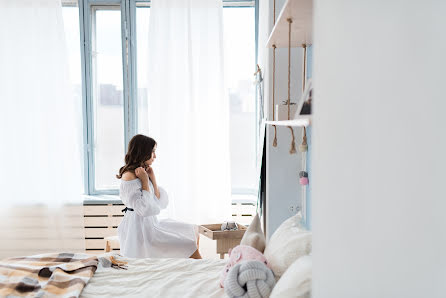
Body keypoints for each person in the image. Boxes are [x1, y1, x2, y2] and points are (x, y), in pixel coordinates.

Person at [116, 134, 202, 259]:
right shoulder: (129, 176)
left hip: (151, 223)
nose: (155, 156)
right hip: (139, 230)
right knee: (187, 243)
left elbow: (158, 203)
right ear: (143, 152)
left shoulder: (142, 172)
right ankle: (200, 269)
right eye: (153, 152)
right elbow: (145, 209)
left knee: (191, 230)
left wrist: (152, 178)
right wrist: (145, 181)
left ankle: (191, 269)